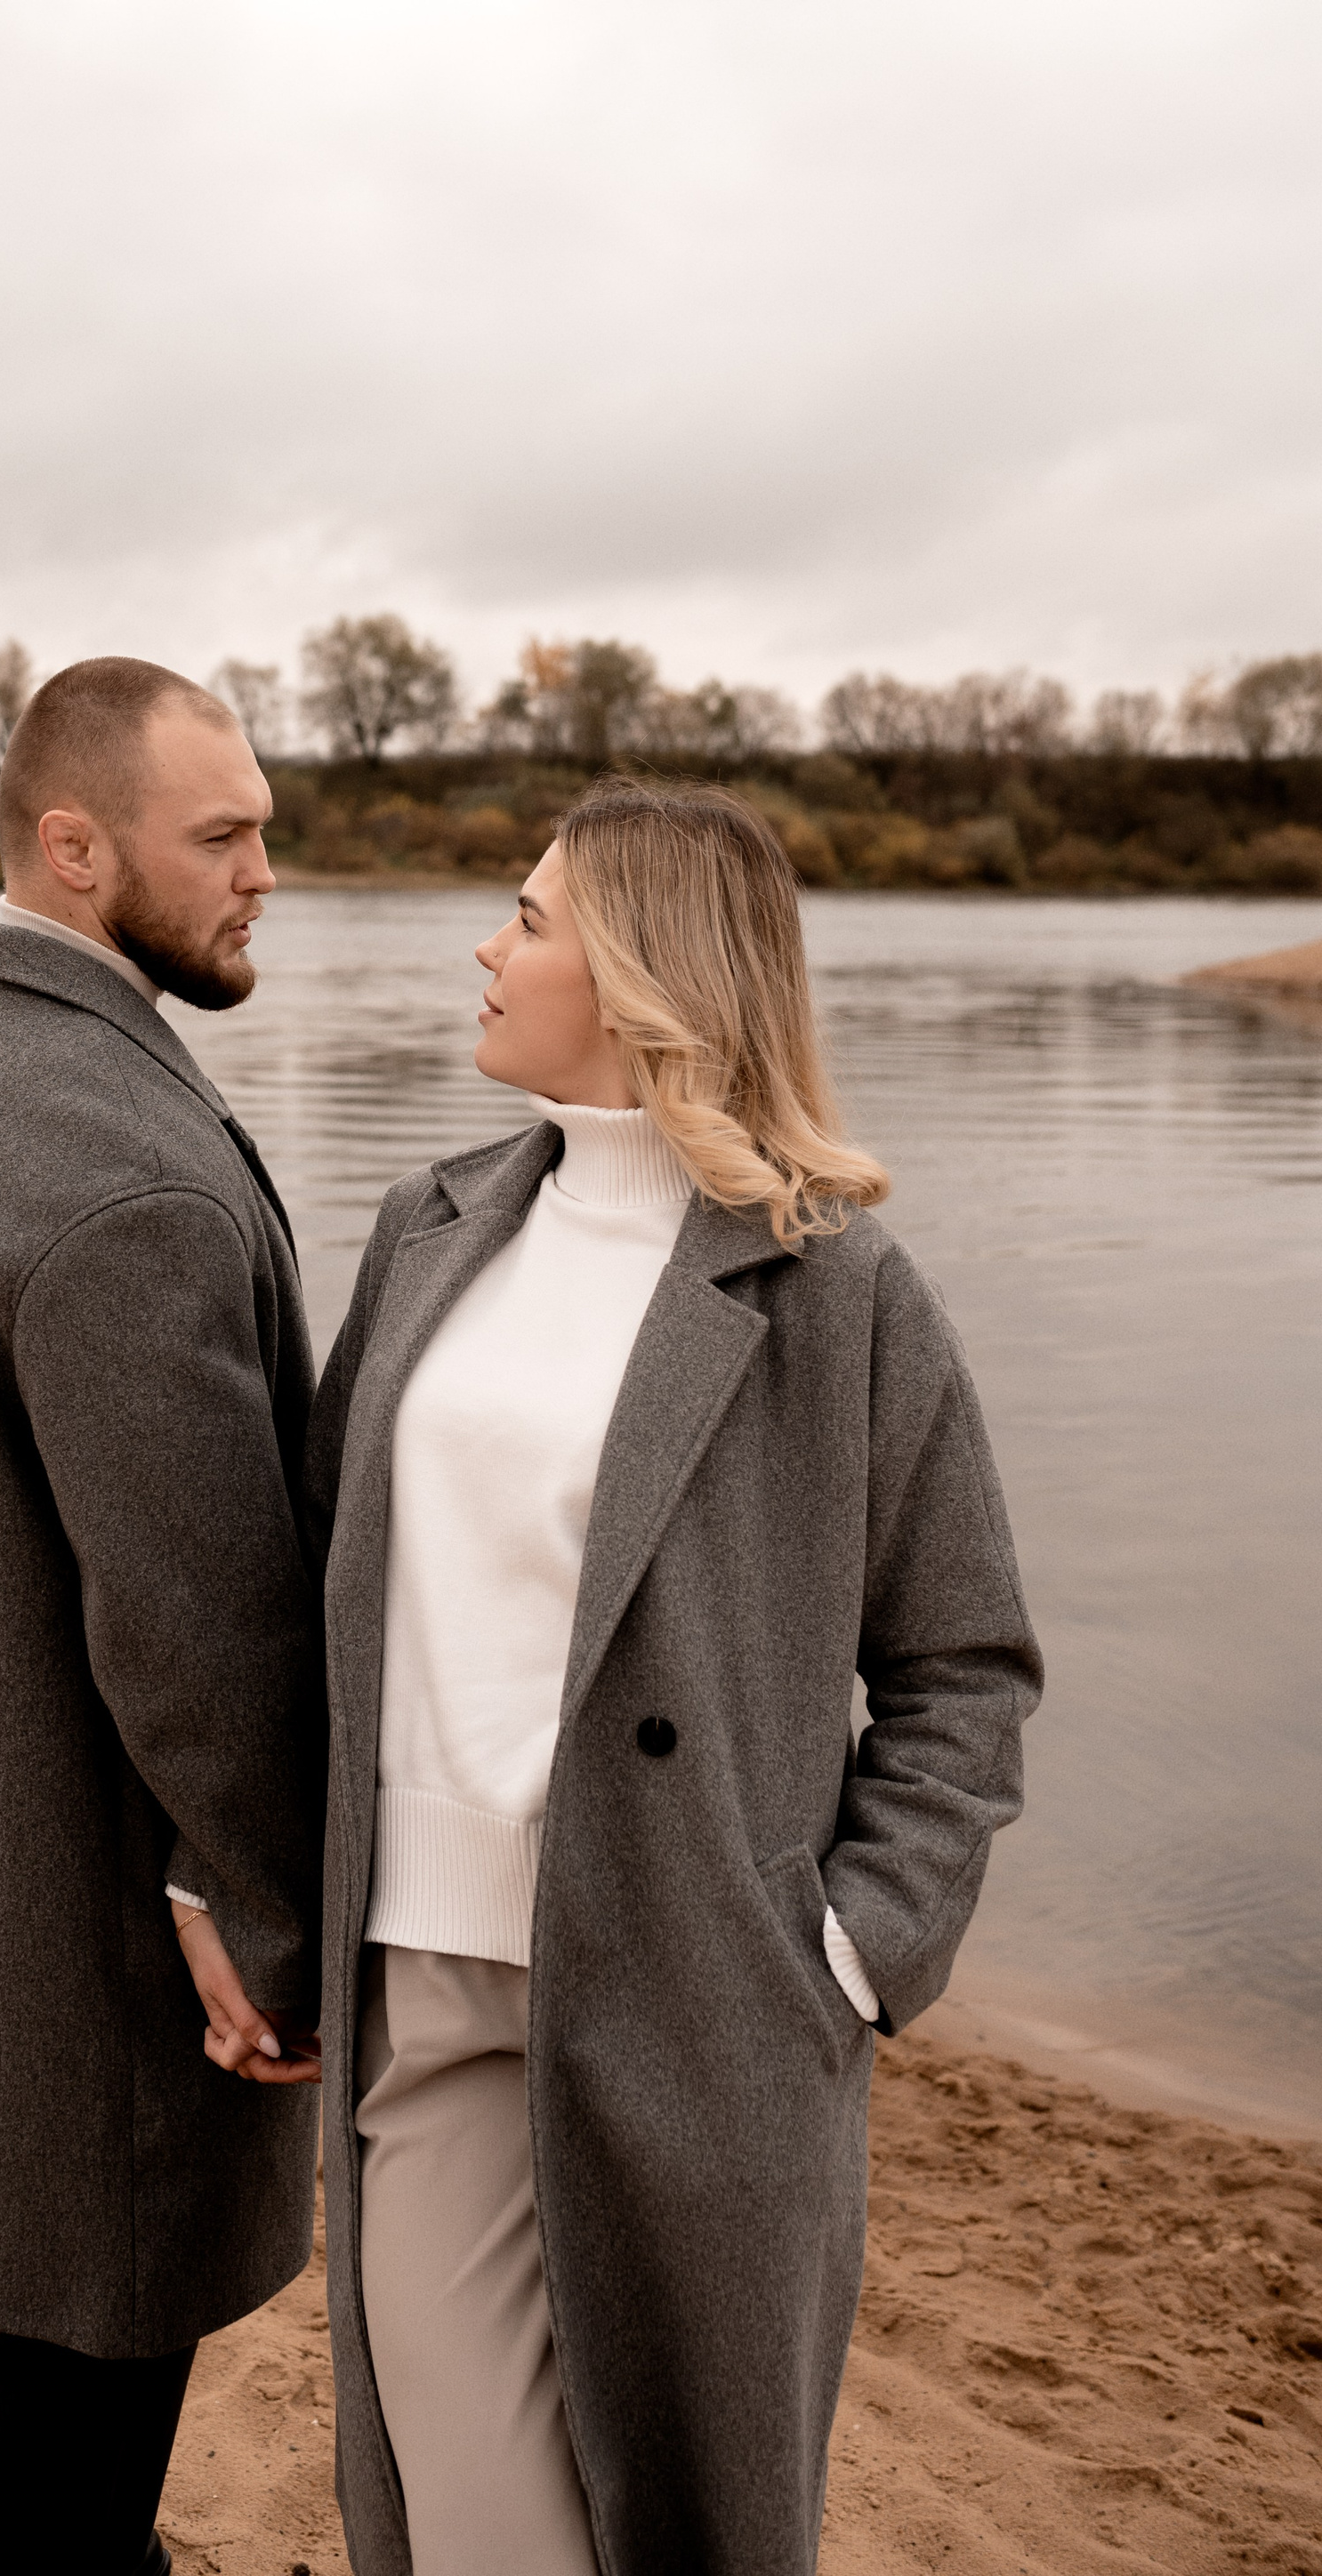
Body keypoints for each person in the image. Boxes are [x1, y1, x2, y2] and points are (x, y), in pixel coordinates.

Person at [305, 777, 1043, 2576]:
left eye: (529, 917)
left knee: (700, 2520)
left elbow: (962, 1663)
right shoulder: (430, 1224)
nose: (487, 947)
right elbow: (315, 1575)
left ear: (643, 972)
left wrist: (855, 1949)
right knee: (475, 2523)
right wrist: (239, 1879)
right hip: (423, 1976)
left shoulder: (837, 1287)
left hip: (703, 1995)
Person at [0, 657, 326, 2576]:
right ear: (77, 848)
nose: (266, 873)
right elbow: (204, 1628)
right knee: (65, 2443)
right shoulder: (120, 1163)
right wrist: (267, 1912)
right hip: (85, 1938)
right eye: (224, 837)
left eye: (263, 828)